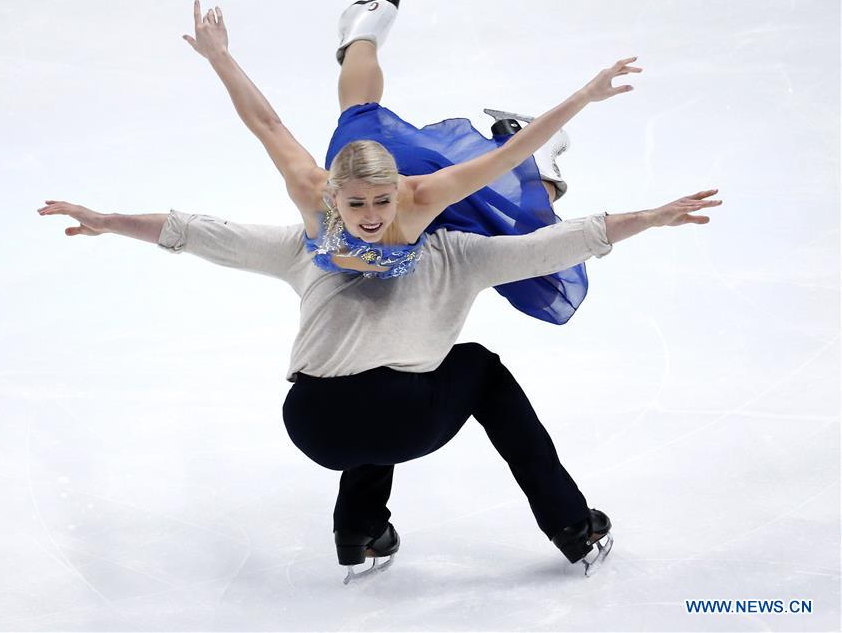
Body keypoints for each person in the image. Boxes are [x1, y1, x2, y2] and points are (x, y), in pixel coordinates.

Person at [36, 184, 722, 582]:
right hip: (401, 419)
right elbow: (567, 242)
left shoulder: (308, 244)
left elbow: (197, 233)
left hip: (310, 422)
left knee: (390, 380)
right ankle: (572, 525)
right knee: (473, 366)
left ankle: (359, 531)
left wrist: (107, 220)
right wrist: (652, 219)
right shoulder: (462, 253)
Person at [181, 0, 643, 324]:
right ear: (334, 193)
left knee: (508, 204)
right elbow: (267, 124)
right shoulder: (310, 189)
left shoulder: (419, 197)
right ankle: (364, 28)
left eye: (381, 201)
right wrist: (220, 57)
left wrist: (585, 96)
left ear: (398, 191)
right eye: (356, 202)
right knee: (357, 109)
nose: (369, 215)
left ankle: (537, 160)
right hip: (362, 147)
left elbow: (502, 159)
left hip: (424, 177)